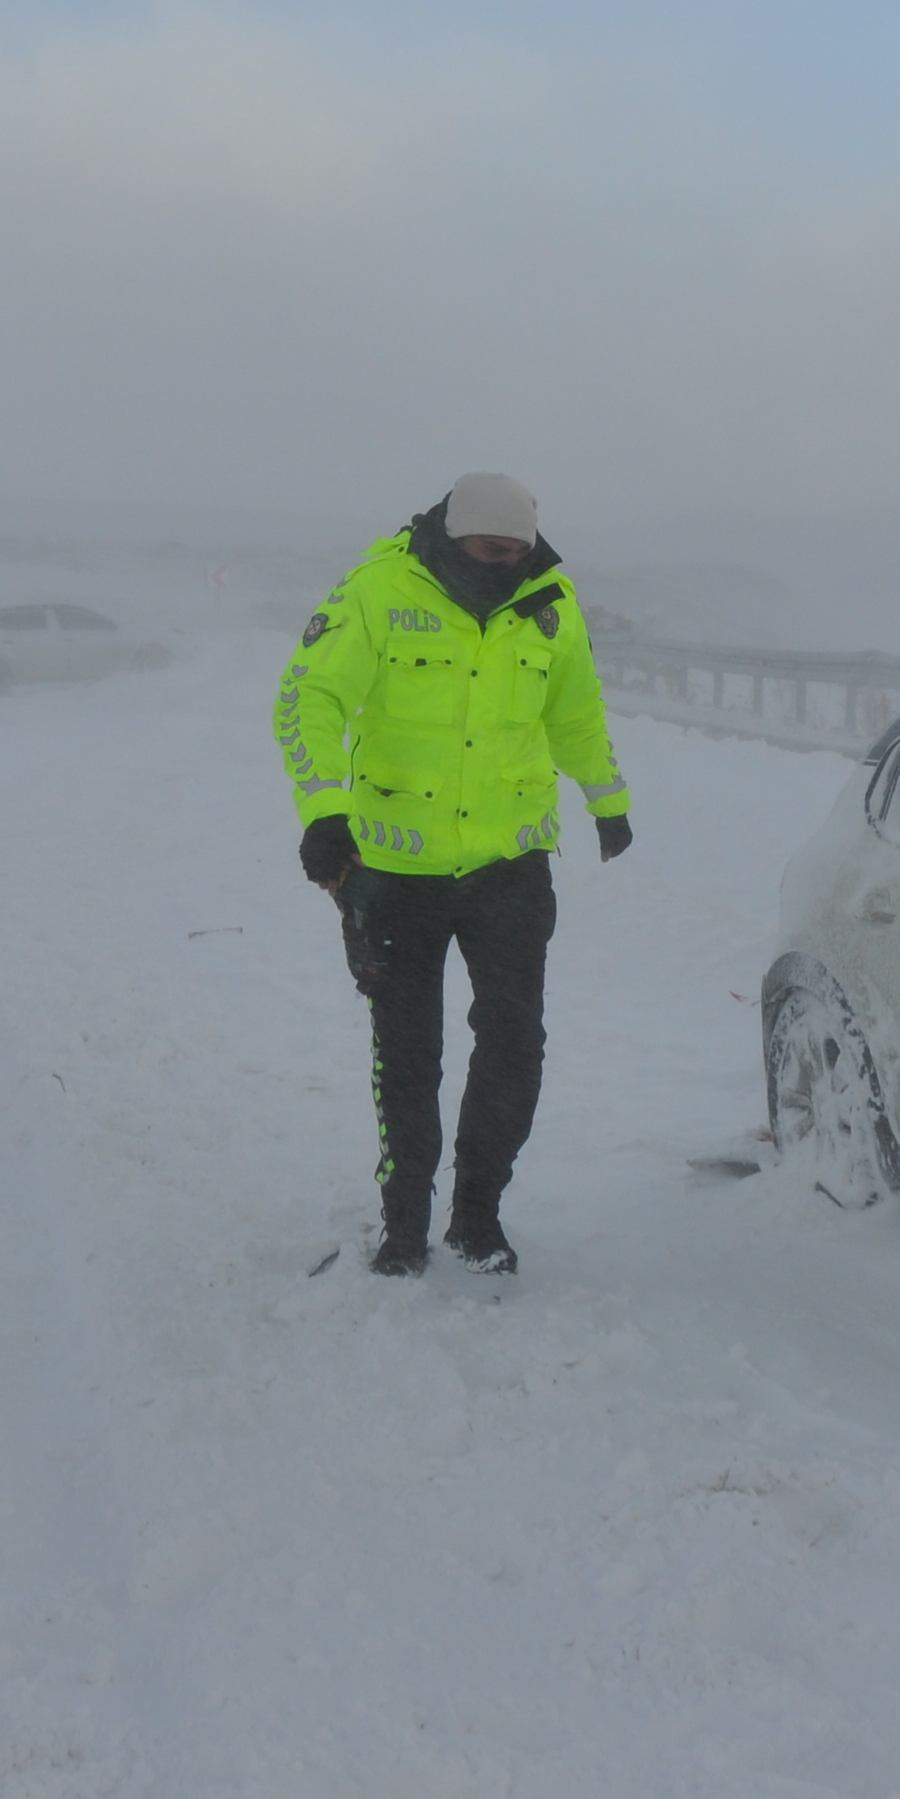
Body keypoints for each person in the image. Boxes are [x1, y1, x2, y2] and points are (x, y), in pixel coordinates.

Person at [276, 471, 632, 1276]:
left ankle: (478, 1217)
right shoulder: (376, 591)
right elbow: (308, 699)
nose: (503, 563)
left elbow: (574, 711)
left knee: (514, 1047)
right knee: (409, 1056)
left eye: (516, 551)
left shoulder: (550, 603)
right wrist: (324, 813)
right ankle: (404, 1225)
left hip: (510, 870)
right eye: (487, 550)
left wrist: (607, 799)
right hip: (396, 873)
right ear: (452, 535)